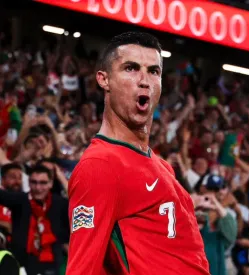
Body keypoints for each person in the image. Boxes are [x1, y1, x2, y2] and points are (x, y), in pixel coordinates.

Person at [66, 32, 209, 274]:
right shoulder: (100, 166)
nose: (144, 80)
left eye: (154, 71)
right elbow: (82, 270)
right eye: (131, 68)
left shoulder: (162, 166)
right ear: (104, 79)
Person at [0, 165, 69, 275]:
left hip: (51, 263)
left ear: (51, 183)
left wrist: (60, 176)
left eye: (43, 183)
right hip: (22, 263)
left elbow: (79, 200)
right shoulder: (20, 200)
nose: (38, 188)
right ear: (28, 182)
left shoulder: (60, 203)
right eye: (34, 182)